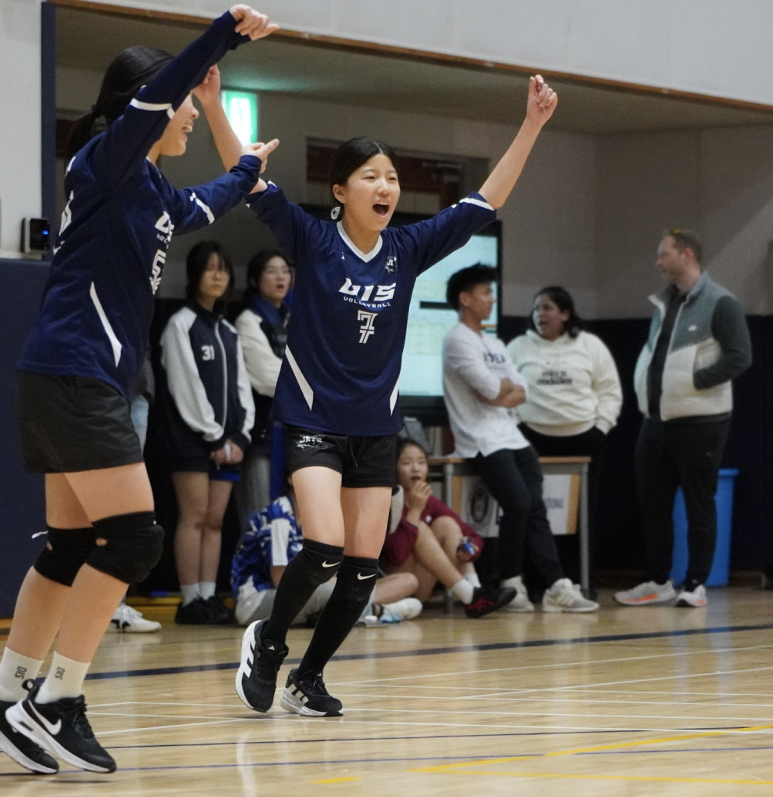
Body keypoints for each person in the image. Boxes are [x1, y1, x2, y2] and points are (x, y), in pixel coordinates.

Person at [0, 6, 277, 775]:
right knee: (134, 537)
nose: (193, 120)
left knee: (71, 543)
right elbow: (159, 96)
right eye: (189, 107)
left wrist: (250, 170)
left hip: (68, 377)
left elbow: (207, 204)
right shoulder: (107, 158)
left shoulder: (152, 191)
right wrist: (222, 32)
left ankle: (3, 693)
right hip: (73, 375)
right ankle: (59, 696)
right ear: (153, 103)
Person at [232, 75, 559, 718]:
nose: (385, 187)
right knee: (322, 546)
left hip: (374, 430)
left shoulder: (407, 249)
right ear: (340, 190)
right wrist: (218, 107)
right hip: (312, 421)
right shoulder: (311, 239)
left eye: (391, 178)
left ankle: (310, 676)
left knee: (361, 565)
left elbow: (485, 199)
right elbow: (248, 180)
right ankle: (267, 644)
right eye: (371, 177)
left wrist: (533, 127)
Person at [443, 266, 600, 615]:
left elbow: (520, 389)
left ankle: (557, 583)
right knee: (517, 503)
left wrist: (501, 393)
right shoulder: (457, 339)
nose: (492, 299)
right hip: (480, 440)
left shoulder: (495, 342)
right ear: (465, 299)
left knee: (535, 508)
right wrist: (501, 391)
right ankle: (510, 582)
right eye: (485, 292)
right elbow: (488, 388)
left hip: (512, 436)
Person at [616, 229, 751, 608]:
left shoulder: (721, 302)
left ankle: (695, 583)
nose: (658, 262)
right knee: (652, 504)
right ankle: (659, 580)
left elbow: (740, 356)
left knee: (698, 503)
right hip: (655, 421)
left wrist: (695, 381)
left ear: (687, 254)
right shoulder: (664, 302)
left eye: (664, 255)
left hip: (702, 422)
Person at [161, 241, 255, 624]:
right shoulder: (180, 324)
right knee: (195, 516)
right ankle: (188, 600)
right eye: (209, 268)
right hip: (191, 440)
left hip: (228, 443)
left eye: (224, 269)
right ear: (194, 275)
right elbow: (186, 384)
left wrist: (240, 436)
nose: (217, 276)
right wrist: (213, 435)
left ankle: (207, 595)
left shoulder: (230, 331)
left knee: (216, 521)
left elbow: (242, 388)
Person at [506, 286, 621, 584]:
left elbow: (610, 391)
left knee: (581, 517)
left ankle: (581, 580)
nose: (540, 314)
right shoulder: (518, 347)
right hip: (532, 440)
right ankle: (538, 583)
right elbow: (503, 393)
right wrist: (516, 426)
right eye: (536, 309)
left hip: (584, 441)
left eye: (547, 308)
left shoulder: (590, 345)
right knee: (535, 513)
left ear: (565, 313)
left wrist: (601, 428)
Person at [232, 494, 421, 629]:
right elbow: (281, 580)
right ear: (292, 478)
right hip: (256, 601)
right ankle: (377, 610)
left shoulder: (317, 518)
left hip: (309, 593)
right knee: (330, 591)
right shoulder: (279, 516)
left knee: (409, 580)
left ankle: (357, 609)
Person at [386, 439, 498, 614]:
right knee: (421, 528)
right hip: (399, 584)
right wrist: (414, 513)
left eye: (421, 462)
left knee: (446, 524)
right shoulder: (388, 502)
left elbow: (471, 534)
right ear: (393, 468)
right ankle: (470, 595)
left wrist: (470, 549)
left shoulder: (430, 502)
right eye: (406, 463)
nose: (416, 468)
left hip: (421, 584)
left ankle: (476, 591)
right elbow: (396, 556)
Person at [234, 249, 292, 524]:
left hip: (294, 435)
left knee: (290, 527)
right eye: (272, 271)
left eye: (285, 270)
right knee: (260, 524)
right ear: (255, 280)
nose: (281, 276)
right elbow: (269, 379)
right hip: (262, 437)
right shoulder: (248, 320)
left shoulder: (294, 317)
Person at [110, 354, 162, 633]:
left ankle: (116, 606)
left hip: (138, 390)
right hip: (104, 392)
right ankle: (106, 606)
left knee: (128, 506)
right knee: (109, 503)